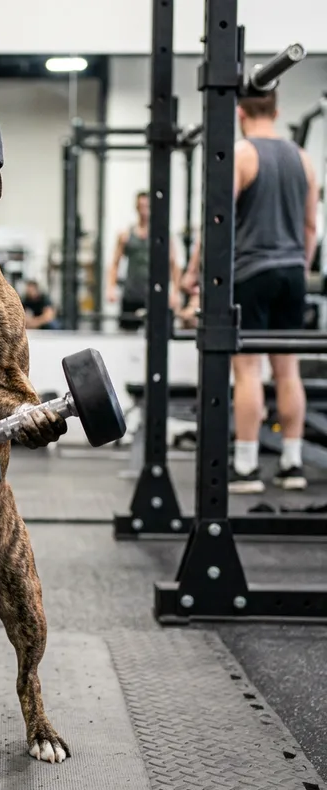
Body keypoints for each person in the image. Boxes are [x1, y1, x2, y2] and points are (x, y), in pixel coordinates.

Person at [182, 89, 318, 493]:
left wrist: (193, 273)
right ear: (277, 110)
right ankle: (292, 463)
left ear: (240, 112)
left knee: (248, 370)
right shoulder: (303, 158)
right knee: (288, 369)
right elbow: (311, 226)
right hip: (293, 273)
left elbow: (215, 223)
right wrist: (300, 267)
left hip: (250, 273)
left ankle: (246, 466)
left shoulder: (240, 154)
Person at [106, 190, 180, 330]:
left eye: (146, 206)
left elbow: (174, 264)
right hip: (132, 294)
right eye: (141, 206)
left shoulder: (162, 236)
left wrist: (175, 292)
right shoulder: (125, 235)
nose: (143, 211)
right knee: (127, 334)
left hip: (154, 294)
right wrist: (110, 287)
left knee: (157, 332)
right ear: (136, 207)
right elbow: (115, 263)